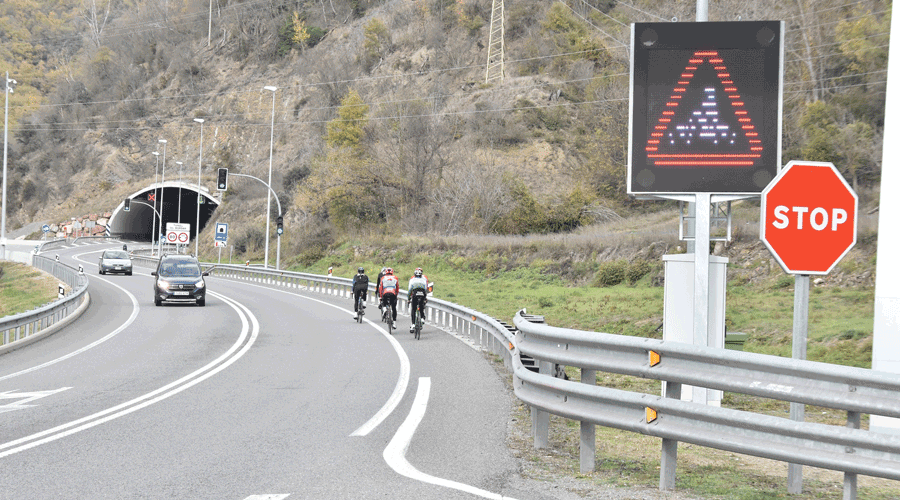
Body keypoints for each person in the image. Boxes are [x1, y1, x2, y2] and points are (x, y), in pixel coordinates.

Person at [408, 267, 429, 334]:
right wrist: (425, 297)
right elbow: (426, 289)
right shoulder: (424, 279)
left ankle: (413, 324)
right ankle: (422, 318)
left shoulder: (412, 279)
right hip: (422, 293)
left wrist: (408, 298)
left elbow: (410, 289)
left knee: (413, 309)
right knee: (421, 306)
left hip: (415, 293)